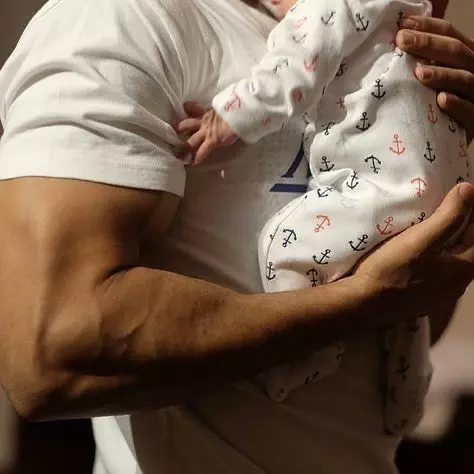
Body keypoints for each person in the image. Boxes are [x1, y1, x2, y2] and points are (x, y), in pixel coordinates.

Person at [0, 0, 472, 473]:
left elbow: (412, 314)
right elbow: (51, 356)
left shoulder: (365, 32)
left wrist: (432, 146)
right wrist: (360, 301)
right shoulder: (123, 21)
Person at [176, 0, 470, 435]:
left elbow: (292, 71)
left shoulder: (329, 6)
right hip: (441, 193)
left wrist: (227, 118)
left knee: (283, 247)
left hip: (381, 190)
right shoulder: (409, 17)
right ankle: (407, 400)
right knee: (408, 309)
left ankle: (310, 355)